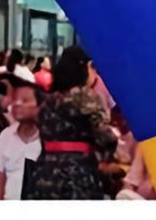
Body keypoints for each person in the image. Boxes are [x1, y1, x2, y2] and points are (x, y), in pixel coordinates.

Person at [26, 46, 116, 199]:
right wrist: (107, 157)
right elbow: (105, 136)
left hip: (44, 172)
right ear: (84, 67)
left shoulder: (48, 100)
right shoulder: (84, 96)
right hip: (77, 173)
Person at [0, 80, 44, 199]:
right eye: (14, 100)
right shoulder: (6, 135)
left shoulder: (49, 138)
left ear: (40, 106)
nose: (17, 104)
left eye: (25, 100)